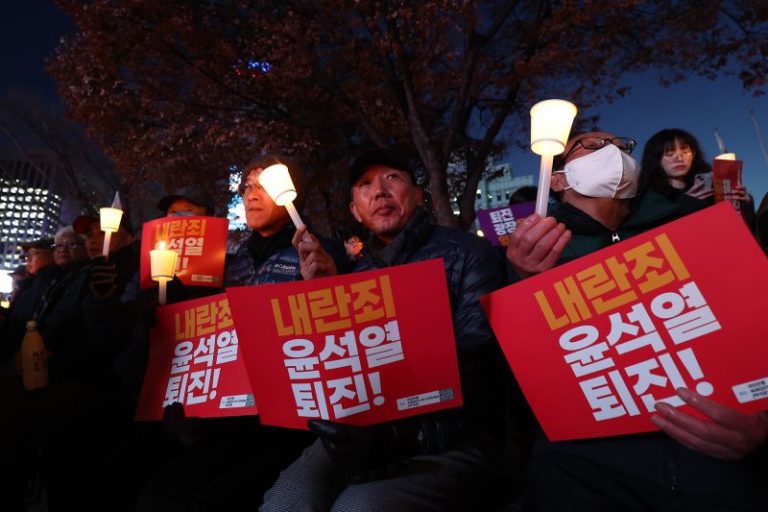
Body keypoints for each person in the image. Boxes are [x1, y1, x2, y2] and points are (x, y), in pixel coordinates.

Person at [507, 131, 768, 511]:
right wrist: (524, 285)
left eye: (622, 146)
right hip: (589, 462)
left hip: (715, 444)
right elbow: (526, 370)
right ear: (559, 179)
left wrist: (761, 425)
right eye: (594, 146)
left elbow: (752, 325)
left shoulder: (696, 221)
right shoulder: (531, 252)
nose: (614, 152)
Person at [261, 148, 516, 512]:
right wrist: (319, 295)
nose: (379, 191)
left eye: (392, 178)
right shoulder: (352, 275)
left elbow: (481, 363)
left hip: (450, 437)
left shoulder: (469, 253)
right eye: (365, 185)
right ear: (355, 210)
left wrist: (401, 434)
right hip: (356, 433)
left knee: (362, 506)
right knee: (287, 500)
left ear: (417, 194)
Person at [135, 153, 345, 512]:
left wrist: (325, 289)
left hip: (288, 425)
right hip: (227, 416)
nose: (252, 194)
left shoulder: (323, 254)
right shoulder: (226, 263)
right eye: (248, 186)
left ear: (290, 194)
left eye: (265, 185)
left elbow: (337, 342)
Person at [640, 128, 754, 222]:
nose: (679, 158)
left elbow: (740, 229)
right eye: (670, 153)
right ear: (655, 159)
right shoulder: (648, 199)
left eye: (685, 151)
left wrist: (744, 203)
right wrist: (688, 202)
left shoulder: (711, 187)